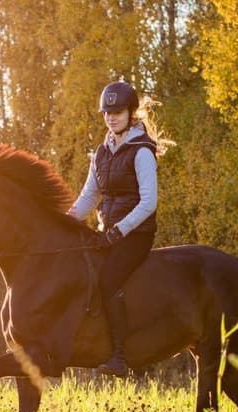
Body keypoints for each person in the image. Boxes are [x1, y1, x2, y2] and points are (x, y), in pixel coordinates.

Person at [67, 81, 161, 378]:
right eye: (107, 112)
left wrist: (119, 230)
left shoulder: (141, 151)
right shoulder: (102, 151)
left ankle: (121, 355)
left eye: (117, 111)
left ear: (131, 112)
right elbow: (89, 197)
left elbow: (149, 202)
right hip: (108, 233)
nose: (111, 117)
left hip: (136, 235)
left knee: (107, 282)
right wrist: (64, 220)